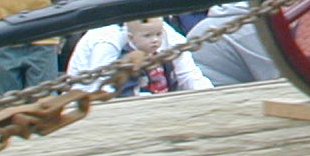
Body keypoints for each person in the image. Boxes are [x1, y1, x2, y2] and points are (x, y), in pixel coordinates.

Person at [67, 16, 212, 95]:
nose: (155, 39)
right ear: (131, 37)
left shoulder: (163, 32)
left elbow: (189, 75)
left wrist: (209, 94)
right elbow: (99, 88)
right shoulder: (108, 42)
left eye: (157, 35)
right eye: (147, 36)